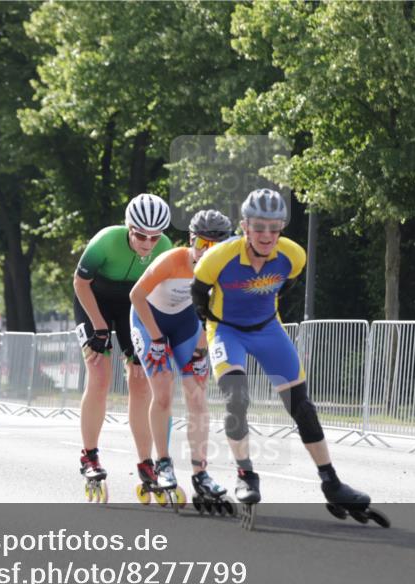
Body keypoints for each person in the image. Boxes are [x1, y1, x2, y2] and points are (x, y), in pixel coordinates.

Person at [191, 188, 373, 513]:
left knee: (301, 406)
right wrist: (212, 329)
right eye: (259, 227)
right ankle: (246, 474)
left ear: (282, 229)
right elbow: (198, 295)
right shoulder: (218, 257)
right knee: (237, 399)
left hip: (268, 329)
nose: (266, 235)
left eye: (274, 228)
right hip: (226, 330)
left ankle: (331, 481)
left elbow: (287, 284)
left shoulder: (293, 255)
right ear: (244, 226)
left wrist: (262, 311)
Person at [128, 210, 234, 505]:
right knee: (162, 393)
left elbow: (210, 313)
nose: (205, 252)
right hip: (149, 321)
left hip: (186, 324)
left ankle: (201, 473)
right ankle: (162, 463)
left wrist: (201, 349)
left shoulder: (223, 270)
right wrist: (157, 338)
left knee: (197, 395)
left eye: (215, 247)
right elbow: (136, 296)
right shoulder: (173, 260)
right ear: (191, 239)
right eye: (201, 243)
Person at [73, 193, 173, 492]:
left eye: (154, 237)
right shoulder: (105, 240)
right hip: (94, 300)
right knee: (100, 375)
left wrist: (156, 334)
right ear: (129, 227)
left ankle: (146, 462)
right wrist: (100, 328)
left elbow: (161, 295)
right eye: (141, 235)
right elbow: (80, 283)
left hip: (132, 304)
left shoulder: (165, 249)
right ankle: (89, 456)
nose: (147, 243)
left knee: (141, 381)